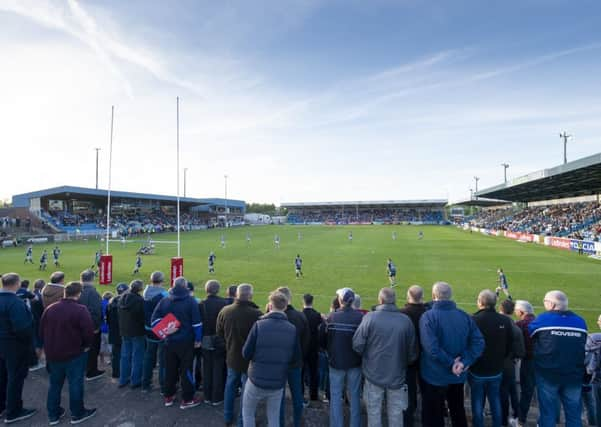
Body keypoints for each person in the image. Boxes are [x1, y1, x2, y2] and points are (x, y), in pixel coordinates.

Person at [419, 282, 485, 427]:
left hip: (435, 376)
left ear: (434, 296)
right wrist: (462, 362)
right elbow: (478, 342)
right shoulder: (464, 316)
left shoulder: (428, 317)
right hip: (456, 375)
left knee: (434, 415)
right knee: (457, 411)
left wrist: (455, 363)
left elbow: (432, 349)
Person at [353, 287, 417, 427]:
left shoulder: (371, 317)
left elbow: (357, 345)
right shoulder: (404, 320)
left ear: (380, 300)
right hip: (394, 374)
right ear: (394, 301)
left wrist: (369, 358)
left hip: (375, 373)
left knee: (375, 413)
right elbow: (412, 353)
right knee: (395, 415)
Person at [40, 281, 97, 425]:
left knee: (55, 384)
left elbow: (41, 331)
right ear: (78, 294)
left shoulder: (50, 309)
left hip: (54, 353)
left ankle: (53, 414)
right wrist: (86, 346)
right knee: (75, 383)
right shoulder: (80, 310)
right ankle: (77, 413)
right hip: (74, 354)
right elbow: (88, 333)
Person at [528, 290, 587, 427]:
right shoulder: (580, 321)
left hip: (548, 374)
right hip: (573, 374)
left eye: (544, 301)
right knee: (573, 414)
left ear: (552, 304)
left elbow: (529, 334)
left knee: (548, 412)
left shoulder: (543, 319)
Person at [241, 291, 300, 427]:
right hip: (277, 380)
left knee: (248, 412)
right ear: (285, 307)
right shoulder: (291, 329)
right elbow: (296, 358)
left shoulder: (259, 325)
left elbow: (246, 353)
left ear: (270, 306)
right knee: (273, 416)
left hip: (257, 377)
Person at [151, 276, 202, 409]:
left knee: (170, 369)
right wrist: (198, 339)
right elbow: (197, 323)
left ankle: (169, 396)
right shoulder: (191, 301)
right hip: (186, 342)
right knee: (186, 370)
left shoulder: (165, 300)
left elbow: (154, 321)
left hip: (169, 342)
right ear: (185, 286)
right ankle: (188, 399)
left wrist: (166, 330)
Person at [216, 283, 262, 426]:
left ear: (237, 295)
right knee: (246, 390)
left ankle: (228, 416)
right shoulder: (256, 314)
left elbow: (219, 333)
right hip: (249, 359)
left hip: (232, 356)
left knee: (231, 385)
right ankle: (242, 420)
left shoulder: (225, 311)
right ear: (250, 296)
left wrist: (229, 345)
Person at [469, 290, 513, 427]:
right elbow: (509, 345)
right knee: (495, 400)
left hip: (478, 369)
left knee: (477, 401)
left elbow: (468, 344)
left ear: (481, 302)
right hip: (496, 368)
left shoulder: (473, 320)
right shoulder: (505, 320)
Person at [321, 288, 363, 427]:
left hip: (337, 363)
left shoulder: (332, 317)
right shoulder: (360, 317)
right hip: (354, 363)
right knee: (355, 397)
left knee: (335, 397)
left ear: (340, 301)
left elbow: (324, 341)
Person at [0, 273, 36, 424]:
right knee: (14, 378)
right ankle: (13, 411)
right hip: (14, 346)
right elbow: (23, 329)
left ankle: (3, 406)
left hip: (3, 344)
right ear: (16, 284)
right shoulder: (15, 302)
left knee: (3, 376)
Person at [276, 287, 310, 427]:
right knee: (297, 394)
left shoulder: (271, 316)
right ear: (289, 298)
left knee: (279, 396)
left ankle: (279, 423)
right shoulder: (300, 316)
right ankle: (297, 422)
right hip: (295, 362)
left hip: (278, 362)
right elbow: (306, 341)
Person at [399, 285, 428, 427]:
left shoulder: (402, 314)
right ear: (422, 297)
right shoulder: (428, 312)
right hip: (425, 359)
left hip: (408, 360)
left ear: (408, 296)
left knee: (408, 392)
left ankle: (408, 420)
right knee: (427, 392)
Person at [199, 280, 228, 406]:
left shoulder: (201, 303)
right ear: (218, 290)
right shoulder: (224, 303)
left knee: (207, 366)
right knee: (218, 367)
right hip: (219, 338)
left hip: (206, 338)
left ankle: (207, 396)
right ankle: (216, 397)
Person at [499, 299, 525, 427]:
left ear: (501, 309)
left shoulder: (496, 323)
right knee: (512, 390)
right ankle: (515, 417)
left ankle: (502, 419)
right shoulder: (516, 328)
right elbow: (521, 352)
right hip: (509, 365)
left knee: (501, 393)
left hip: (496, 365)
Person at [142, 271, 168, 393]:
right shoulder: (163, 294)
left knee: (149, 356)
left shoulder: (146, 292)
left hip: (148, 328)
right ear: (162, 281)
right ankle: (163, 386)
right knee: (163, 358)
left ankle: (145, 384)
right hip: (160, 328)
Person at [118, 280, 146, 389]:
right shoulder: (139, 300)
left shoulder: (122, 299)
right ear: (140, 289)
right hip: (137, 332)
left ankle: (123, 379)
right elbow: (142, 317)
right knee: (137, 356)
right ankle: (135, 380)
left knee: (125, 356)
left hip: (125, 331)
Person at [514, 300, 536, 427]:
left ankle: (521, 420)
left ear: (521, 311)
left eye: (517, 311)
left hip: (528, 361)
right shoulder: (539, 321)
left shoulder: (520, 324)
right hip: (542, 361)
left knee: (526, 391)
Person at [79, 269, 104, 381]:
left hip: (78, 326)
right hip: (89, 327)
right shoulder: (92, 293)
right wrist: (95, 328)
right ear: (93, 279)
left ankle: (84, 369)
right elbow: (96, 312)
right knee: (92, 350)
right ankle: (91, 371)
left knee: (83, 349)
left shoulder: (77, 290)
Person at [301, 294, 322, 404]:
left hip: (303, 348)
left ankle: (301, 395)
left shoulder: (300, 314)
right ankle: (313, 396)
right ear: (312, 301)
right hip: (313, 348)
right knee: (314, 372)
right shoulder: (317, 315)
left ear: (303, 302)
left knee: (301, 372)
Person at [106, 283, 128, 380]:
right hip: (123, 331)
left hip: (114, 331)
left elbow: (108, 318)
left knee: (116, 354)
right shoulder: (125, 302)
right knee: (125, 354)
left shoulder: (110, 303)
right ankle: (124, 373)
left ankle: (116, 373)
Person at [29, 279, 46, 372]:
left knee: (35, 340)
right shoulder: (39, 297)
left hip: (31, 321)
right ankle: (35, 362)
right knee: (38, 342)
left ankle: (34, 360)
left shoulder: (30, 294)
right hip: (38, 321)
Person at [99, 291, 112, 366]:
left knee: (102, 345)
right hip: (109, 328)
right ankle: (110, 360)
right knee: (110, 345)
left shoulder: (100, 303)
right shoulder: (110, 304)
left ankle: (101, 360)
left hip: (101, 328)